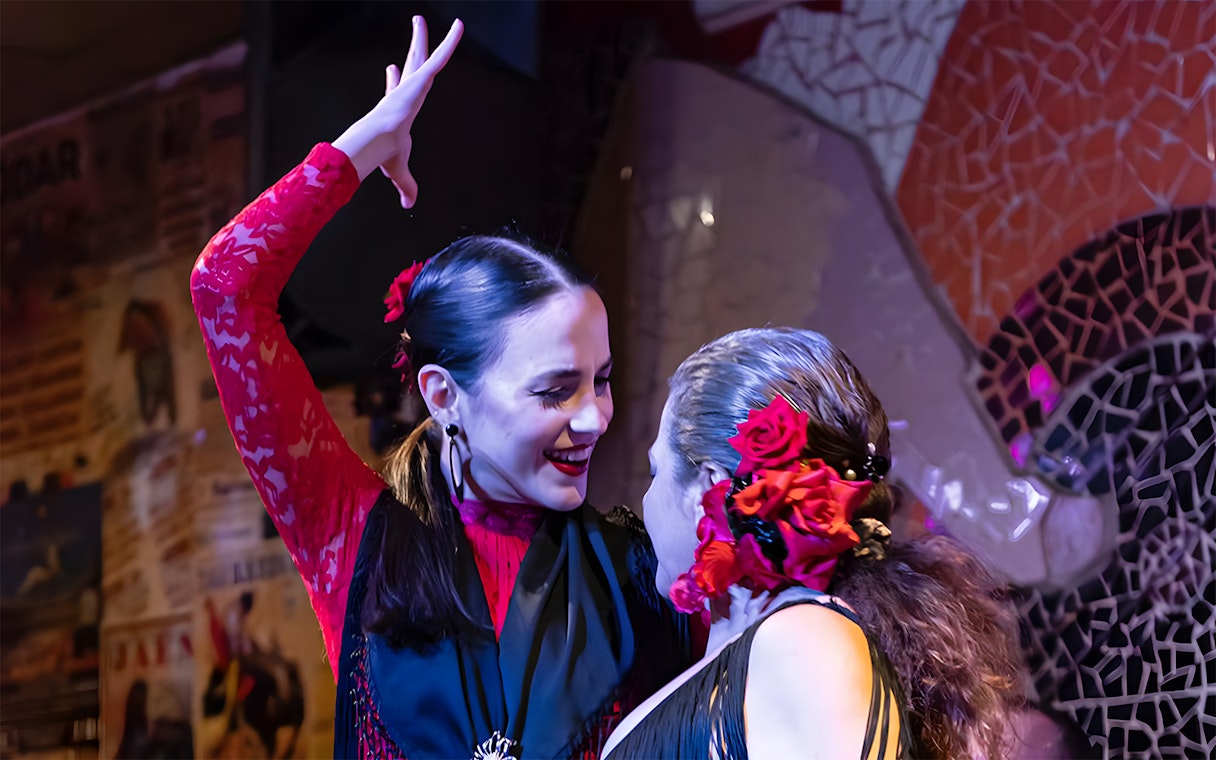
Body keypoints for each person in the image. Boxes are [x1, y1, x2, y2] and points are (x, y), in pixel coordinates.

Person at [190, 17, 688, 759]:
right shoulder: (354, 538)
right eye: (556, 390)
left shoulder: (641, 569)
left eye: (602, 382)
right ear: (444, 393)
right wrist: (362, 148)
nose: (593, 419)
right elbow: (225, 287)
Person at [603, 328, 1026, 759]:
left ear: (708, 488)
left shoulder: (802, 643)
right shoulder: (785, 646)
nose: (645, 500)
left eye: (656, 472)